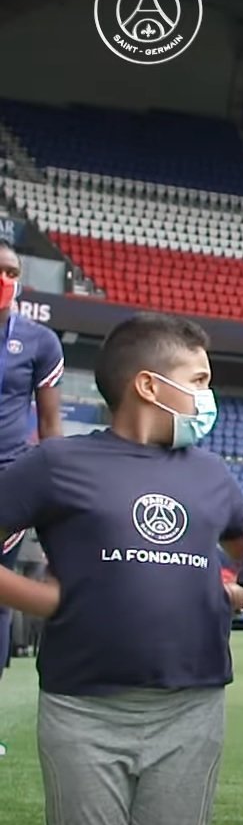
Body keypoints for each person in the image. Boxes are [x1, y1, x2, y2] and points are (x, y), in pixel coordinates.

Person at [0, 314, 243, 825]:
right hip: (83, 708)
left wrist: (236, 593)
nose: (208, 397)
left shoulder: (211, 473)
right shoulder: (56, 463)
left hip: (190, 707)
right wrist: (37, 597)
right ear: (148, 385)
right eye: (199, 380)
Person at [0, 228, 63, 695]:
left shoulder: (39, 341)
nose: (5, 279)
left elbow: (50, 423)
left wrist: (56, 489)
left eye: (12, 272)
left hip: (7, 482)